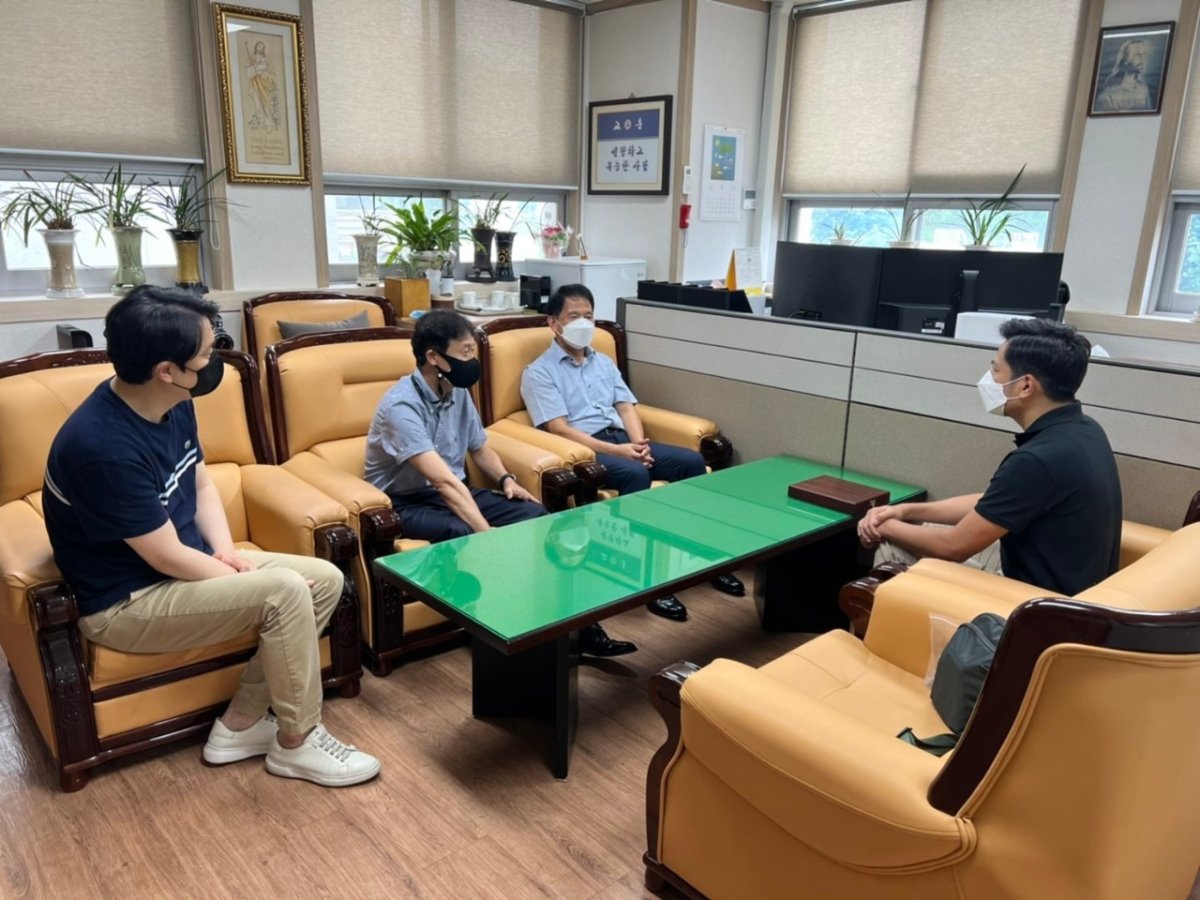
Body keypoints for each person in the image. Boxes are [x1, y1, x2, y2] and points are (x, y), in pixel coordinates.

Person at [43, 285, 379, 787]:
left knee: (326, 580)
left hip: (183, 564)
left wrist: (225, 551)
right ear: (167, 370)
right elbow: (164, 558)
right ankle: (298, 742)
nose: (214, 361)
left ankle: (239, 725)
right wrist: (237, 574)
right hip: (126, 602)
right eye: (205, 353)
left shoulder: (173, 400)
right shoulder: (101, 448)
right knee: (286, 591)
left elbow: (198, 480)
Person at [363, 311, 631, 656]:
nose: (472, 361)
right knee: (462, 532)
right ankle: (503, 627)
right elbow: (442, 480)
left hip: (453, 490)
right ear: (434, 357)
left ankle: (578, 629)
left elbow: (479, 447)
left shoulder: (456, 391)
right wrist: (485, 532)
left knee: (535, 514)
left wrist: (506, 479)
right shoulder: (401, 406)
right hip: (404, 502)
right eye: (464, 352)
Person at [520, 284, 746, 628]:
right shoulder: (539, 372)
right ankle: (650, 585)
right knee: (635, 474)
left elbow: (626, 407)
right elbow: (559, 429)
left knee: (691, 462)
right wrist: (621, 452)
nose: (583, 323)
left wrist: (639, 446)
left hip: (624, 441)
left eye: (588, 316)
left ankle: (709, 560)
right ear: (554, 323)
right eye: (573, 316)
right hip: (587, 451)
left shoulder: (603, 362)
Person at [858, 318, 1122, 596]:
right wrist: (905, 511)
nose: (989, 378)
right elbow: (994, 503)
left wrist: (884, 526)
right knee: (918, 526)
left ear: (1025, 386)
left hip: (1035, 604)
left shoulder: (1038, 460)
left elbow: (953, 546)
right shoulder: (1084, 430)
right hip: (1071, 587)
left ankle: (877, 624)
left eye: (996, 369)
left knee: (892, 545)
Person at [1095, 38, 1152, 113]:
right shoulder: (1108, 96)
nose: (1142, 59)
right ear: (1125, 61)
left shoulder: (1143, 87)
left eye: (1143, 54)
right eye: (1137, 55)